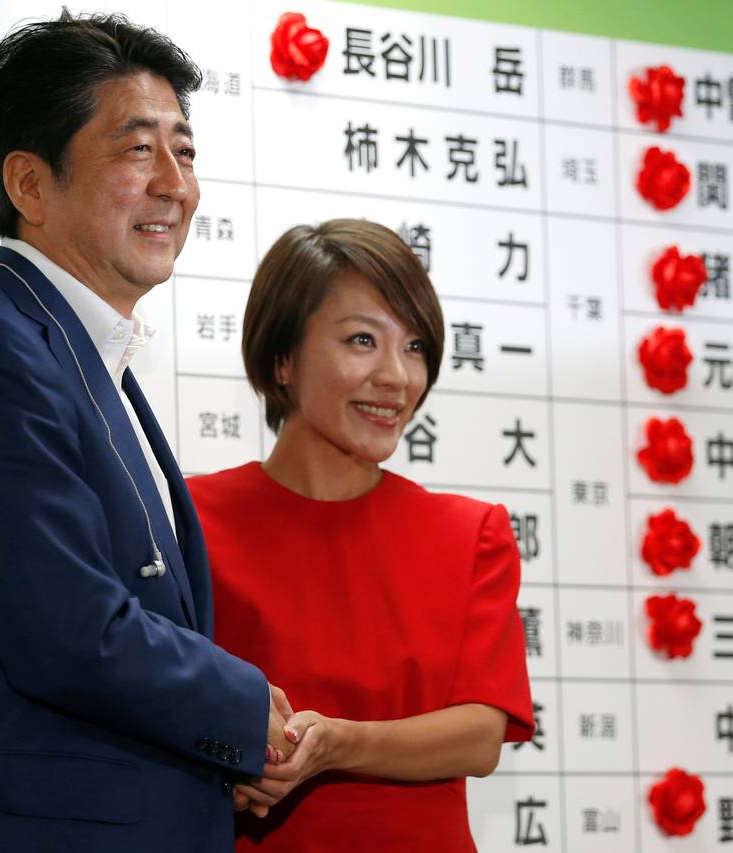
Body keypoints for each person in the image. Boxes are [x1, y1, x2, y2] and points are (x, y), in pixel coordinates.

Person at [0, 13, 292, 852]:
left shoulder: (81, 353)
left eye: (186, 149)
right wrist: (245, 710)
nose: (176, 183)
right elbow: (69, 633)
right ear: (29, 185)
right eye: (138, 149)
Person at [187, 219, 535, 851]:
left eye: (414, 347)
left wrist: (338, 744)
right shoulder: (190, 519)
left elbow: (482, 736)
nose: (397, 377)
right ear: (283, 360)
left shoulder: (470, 533)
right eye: (362, 340)